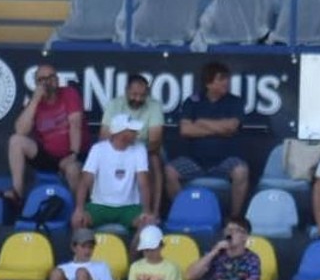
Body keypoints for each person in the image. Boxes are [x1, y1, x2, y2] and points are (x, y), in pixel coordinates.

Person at [165, 61, 248, 218]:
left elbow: (231, 127)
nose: (226, 82)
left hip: (225, 160)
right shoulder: (193, 101)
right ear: (208, 83)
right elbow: (186, 130)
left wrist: (202, 123)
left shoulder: (235, 101)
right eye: (221, 79)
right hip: (195, 161)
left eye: (227, 78)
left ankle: (235, 218)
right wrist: (220, 129)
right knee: (170, 171)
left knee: (241, 171)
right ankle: (183, 214)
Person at [0, 62, 86, 208]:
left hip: (72, 153)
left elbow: (75, 124)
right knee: (16, 141)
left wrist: (73, 154)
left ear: (57, 79)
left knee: (72, 169)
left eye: (51, 77)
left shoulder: (69, 93)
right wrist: (35, 100)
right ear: (36, 83)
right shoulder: (34, 103)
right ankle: (17, 193)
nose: (48, 82)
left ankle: (78, 211)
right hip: (49, 156)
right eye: (42, 79)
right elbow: (20, 130)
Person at [73, 114, 153, 232]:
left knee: (148, 224)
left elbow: (143, 183)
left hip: (129, 207)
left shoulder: (139, 149)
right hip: (99, 206)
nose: (137, 133)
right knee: (77, 221)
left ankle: (133, 251)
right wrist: (79, 209)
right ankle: (83, 251)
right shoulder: (98, 149)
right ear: (121, 133)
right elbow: (85, 181)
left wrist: (146, 211)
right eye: (132, 130)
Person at [100, 74, 165, 213]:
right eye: (134, 94)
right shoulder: (114, 104)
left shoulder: (154, 106)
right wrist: (122, 149)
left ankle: (153, 212)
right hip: (117, 146)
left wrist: (137, 152)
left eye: (142, 95)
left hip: (145, 148)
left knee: (154, 159)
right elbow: (104, 136)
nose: (138, 99)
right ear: (126, 91)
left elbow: (155, 140)